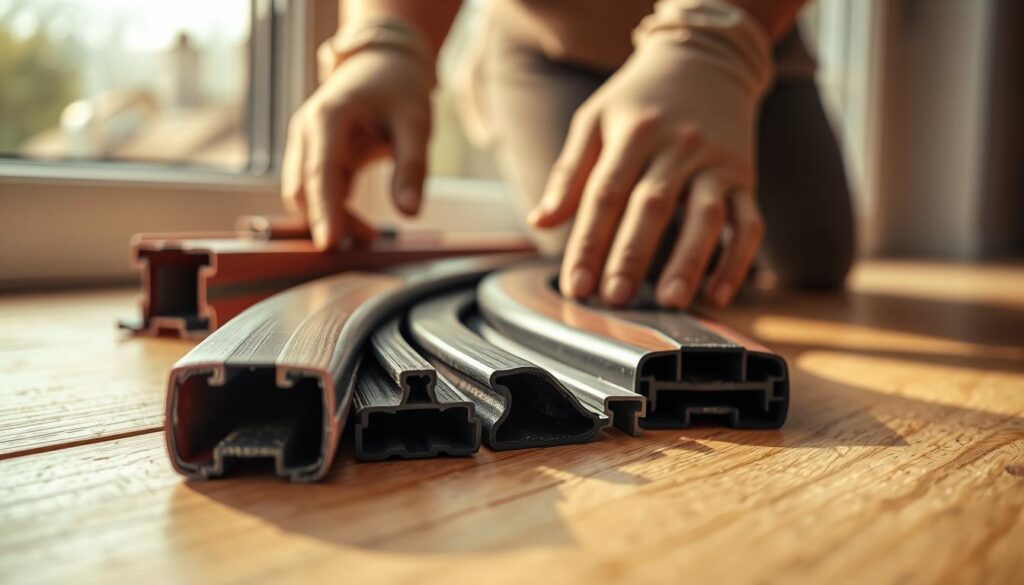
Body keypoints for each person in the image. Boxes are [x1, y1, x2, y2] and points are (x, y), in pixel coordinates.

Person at [281, 0, 855, 309]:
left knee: (814, 255)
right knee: (613, 260)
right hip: (552, 40)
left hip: (744, 36)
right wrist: (388, 40)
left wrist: (716, 44)